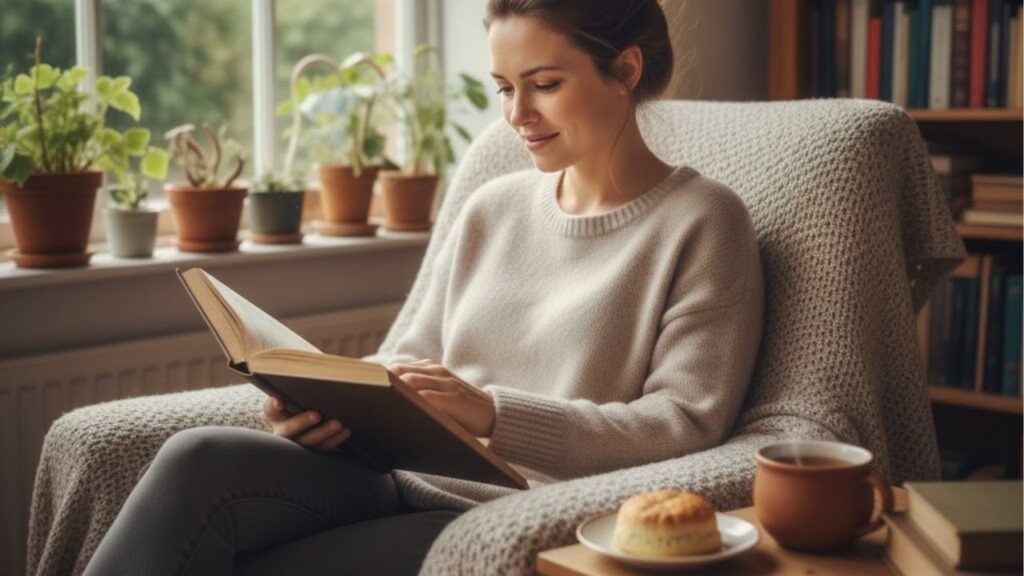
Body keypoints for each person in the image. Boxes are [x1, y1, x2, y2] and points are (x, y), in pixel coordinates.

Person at [83, 0, 764, 574]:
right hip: (392, 481)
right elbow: (403, 361)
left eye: (545, 83)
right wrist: (321, 405)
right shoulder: (492, 207)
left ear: (625, 69)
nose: (516, 113)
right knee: (197, 455)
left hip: (515, 514)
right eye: (504, 86)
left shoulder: (702, 220)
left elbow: (683, 425)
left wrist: (492, 413)